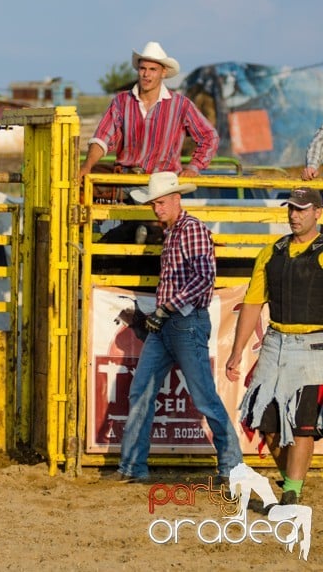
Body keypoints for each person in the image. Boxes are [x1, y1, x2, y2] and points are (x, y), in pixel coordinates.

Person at [109, 171, 242, 482]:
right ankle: (132, 466)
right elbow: (201, 278)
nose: (158, 209)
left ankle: (232, 465)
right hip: (173, 323)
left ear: (177, 199)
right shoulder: (175, 232)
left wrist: (166, 307)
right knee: (145, 391)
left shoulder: (190, 229)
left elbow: (204, 278)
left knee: (201, 396)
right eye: (155, 204)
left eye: (162, 202)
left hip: (183, 321)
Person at [226, 186, 323, 507]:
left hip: (314, 345)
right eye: (291, 209)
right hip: (276, 342)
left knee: (302, 425)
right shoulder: (271, 252)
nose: (294, 215)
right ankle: (292, 480)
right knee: (266, 424)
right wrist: (237, 351)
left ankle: (291, 494)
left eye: (302, 209)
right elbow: (253, 303)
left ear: (317, 213)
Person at [79, 41, 219, 179]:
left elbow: (209, 136)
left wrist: (194, 167)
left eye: (153, 69)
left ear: (163, 73)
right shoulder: (121, 101)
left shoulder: (181, 105)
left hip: (163, 183)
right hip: (125, 179)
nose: (146, 74)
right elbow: (102, 138)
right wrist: (87, 165)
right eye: (143, 69)